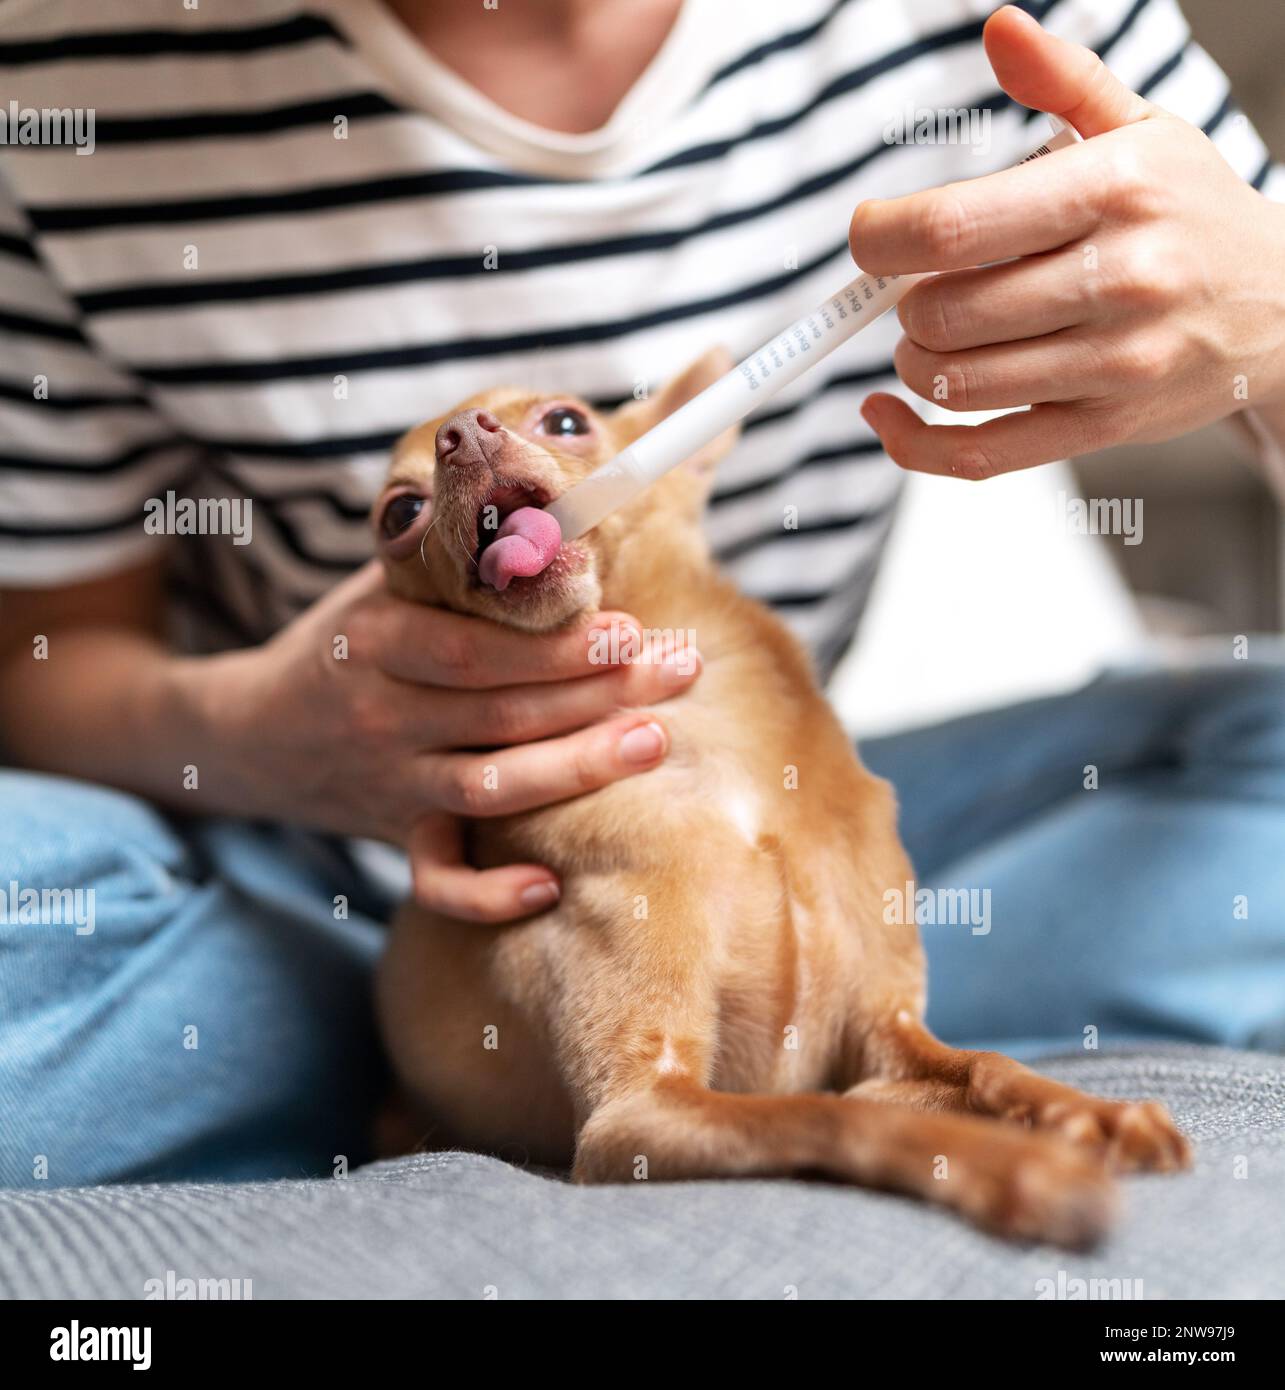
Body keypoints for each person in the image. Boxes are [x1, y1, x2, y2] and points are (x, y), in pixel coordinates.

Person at [0, 0, 1282, 1188]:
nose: (467, 455)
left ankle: (769, 1026)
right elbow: (41, 666)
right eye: (408, 505)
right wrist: (252, 737)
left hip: (823, 835)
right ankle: (440, 1045)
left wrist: (1271, 327)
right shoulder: (65, 84)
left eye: (556, 422)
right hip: (307, 906)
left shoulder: (993, 21)